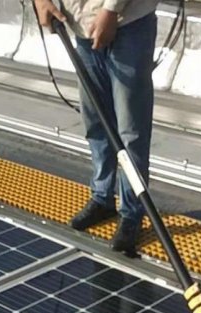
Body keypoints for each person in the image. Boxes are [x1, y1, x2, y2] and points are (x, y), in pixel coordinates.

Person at [34, 0, 159, 255]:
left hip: (128, 23)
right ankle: (102, 198)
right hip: (82, 25)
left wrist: (111, 10)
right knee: (97, 122)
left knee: (130, 131)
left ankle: (131, 213)